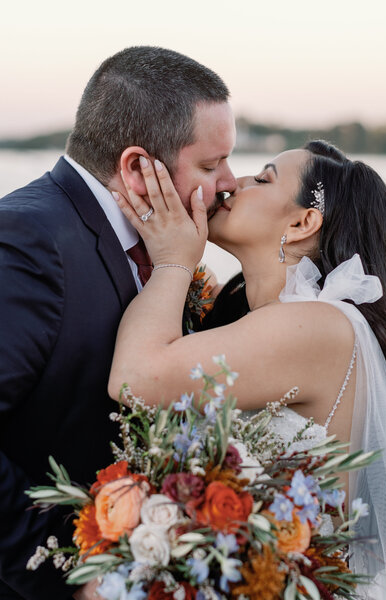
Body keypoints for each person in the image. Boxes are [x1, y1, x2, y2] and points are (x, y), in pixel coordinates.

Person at [109, 140, 386, 599]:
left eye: (263, 179)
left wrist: (172, 261)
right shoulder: (259, 317)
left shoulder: (317, 325)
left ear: (303, 222)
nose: (233, 183)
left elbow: (134, 379)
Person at [0, 46, 236, 600]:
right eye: (209, 165)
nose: (229, 181)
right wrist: (69, 576)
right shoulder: (28, 241)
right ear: (136, 167)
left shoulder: (162, 252)